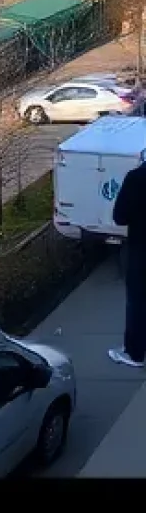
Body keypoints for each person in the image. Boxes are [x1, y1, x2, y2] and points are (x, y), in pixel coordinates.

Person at [109, 152, 146, 368]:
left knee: (138, 301)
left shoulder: (136, 178)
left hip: (142, 249)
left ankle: (134, 353)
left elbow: (119, 216)